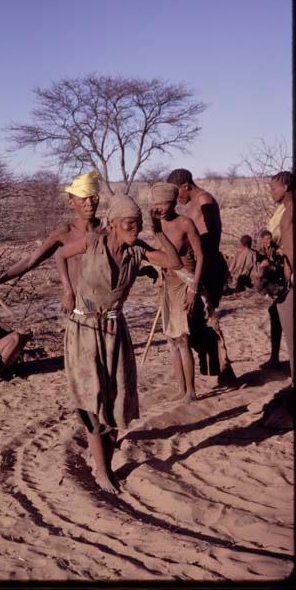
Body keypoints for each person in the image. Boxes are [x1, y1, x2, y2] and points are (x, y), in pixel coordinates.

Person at [56, 194, 182, 493]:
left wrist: (158, 230)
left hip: (114, 331)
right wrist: (67, 290)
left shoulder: (137, 251)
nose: (135, 229)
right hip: (84, 329)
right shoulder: (92, 243)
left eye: (138, 224)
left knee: (116, 399)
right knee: (93, 399)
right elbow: (60, 255)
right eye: (129, 224)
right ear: (112, 223)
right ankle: (102, 470)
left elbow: (174, 262)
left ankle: (105, 464)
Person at [150, 182, 235, 396]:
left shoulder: (184, 223)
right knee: (171, 340)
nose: (159, 208)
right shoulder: (158, 226)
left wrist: (193, 288)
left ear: (172, 203)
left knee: (183, 338)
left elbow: (200, 256)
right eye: (155, 203)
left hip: (185, 284)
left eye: (163, 203)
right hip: (168, 286)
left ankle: (191, 392)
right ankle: (181, 389)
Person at [0, 171, 103, 293]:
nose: (89, 204)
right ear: (71, 202)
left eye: (93, 197)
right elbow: (30, 261)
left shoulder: (108, 229)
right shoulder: (65, 233)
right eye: (83, 199)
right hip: (79, 306)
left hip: (109, 305)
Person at [166, 168, 228, 308]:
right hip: (200, 263)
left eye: (177, 192)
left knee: (204, 314)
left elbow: (211, 235)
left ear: (186, 186)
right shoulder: (192, 203)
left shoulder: (204, 199)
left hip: (208, 265)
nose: (176, 197)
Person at [270, 171, 294, 377]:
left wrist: (290, 265)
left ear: (285, 187)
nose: (271, 193)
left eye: (273, 188)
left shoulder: (292, 209)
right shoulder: (285, 210)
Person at [255, 230, 285, 370]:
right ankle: (274, 358)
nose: (267, 241)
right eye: (265, 238)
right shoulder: (260, 253)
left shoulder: (277, 250)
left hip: (281, 286)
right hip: (273, 287)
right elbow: (262, 267)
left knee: (277, 319)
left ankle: (274, 358)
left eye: (269, 238)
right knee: (275, 319)